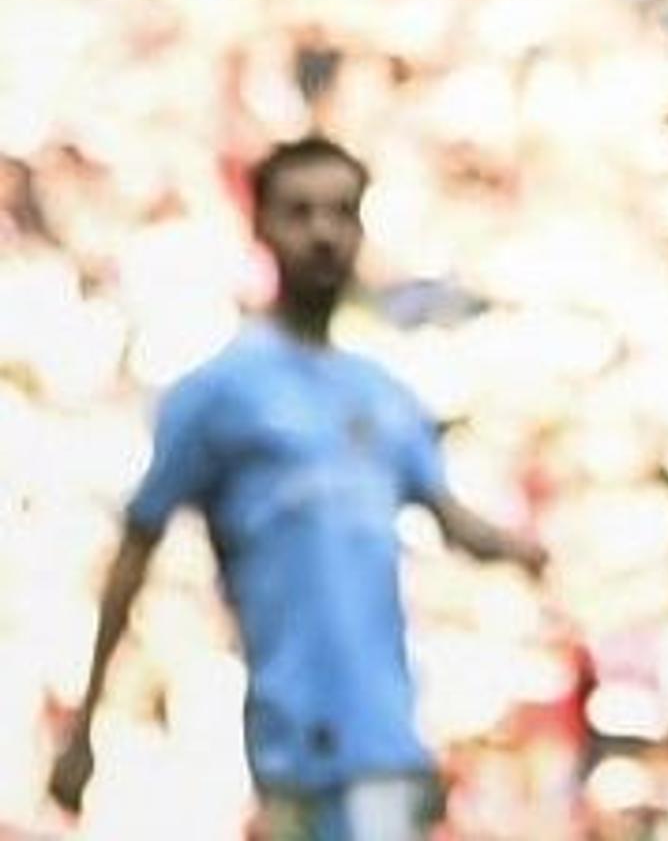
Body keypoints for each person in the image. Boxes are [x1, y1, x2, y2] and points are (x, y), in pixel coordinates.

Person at [51, 135, 547, 841]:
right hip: (301, 743)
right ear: (261, 225)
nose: (322, 233)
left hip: (392, 739)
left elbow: (455, 521)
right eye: (301, 212)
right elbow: (137, 547)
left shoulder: (385, 397)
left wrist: (531, 554)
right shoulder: (217, 393)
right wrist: (85, 727)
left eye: (341, 213)